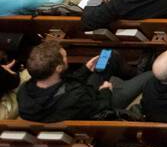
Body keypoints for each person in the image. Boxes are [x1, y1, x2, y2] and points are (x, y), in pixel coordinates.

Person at [17, 40, 153, 123]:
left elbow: (63, 84)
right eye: (65, 57)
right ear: (58, 68)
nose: (67, 58)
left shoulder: (24, 90)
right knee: (150, 75)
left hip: (85, 95)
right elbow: (99, 106)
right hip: (102, 102)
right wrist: (106, 90)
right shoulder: (75, 97)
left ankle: (135, 73)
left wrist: (85, 70)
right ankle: (142, 74)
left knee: (107, 54)